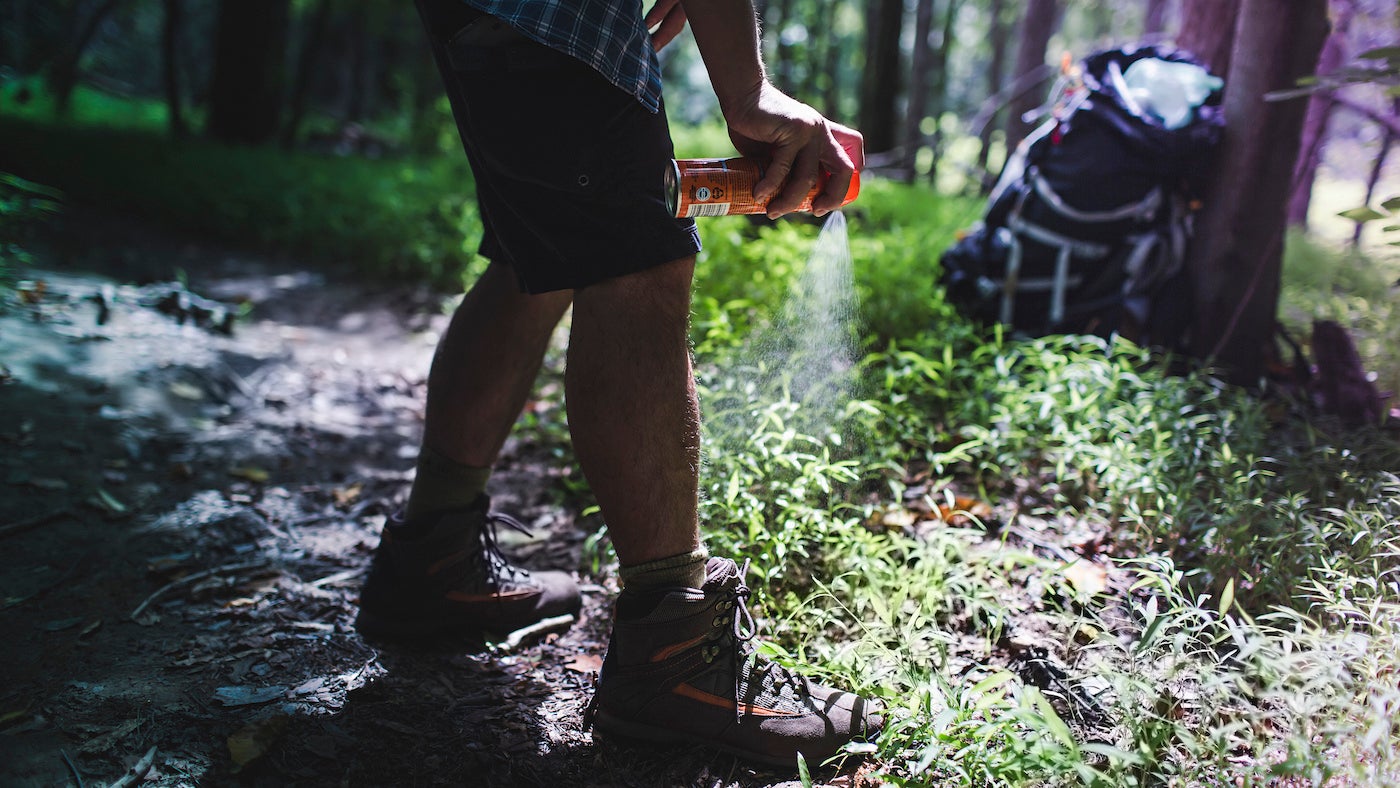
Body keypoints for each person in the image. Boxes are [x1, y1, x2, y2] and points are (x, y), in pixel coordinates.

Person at [356, 0, 881, 768]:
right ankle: (676, 652)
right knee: (640, 261)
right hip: (562, 18)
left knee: (537, 256)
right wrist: (749, 92)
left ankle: (432, 557)